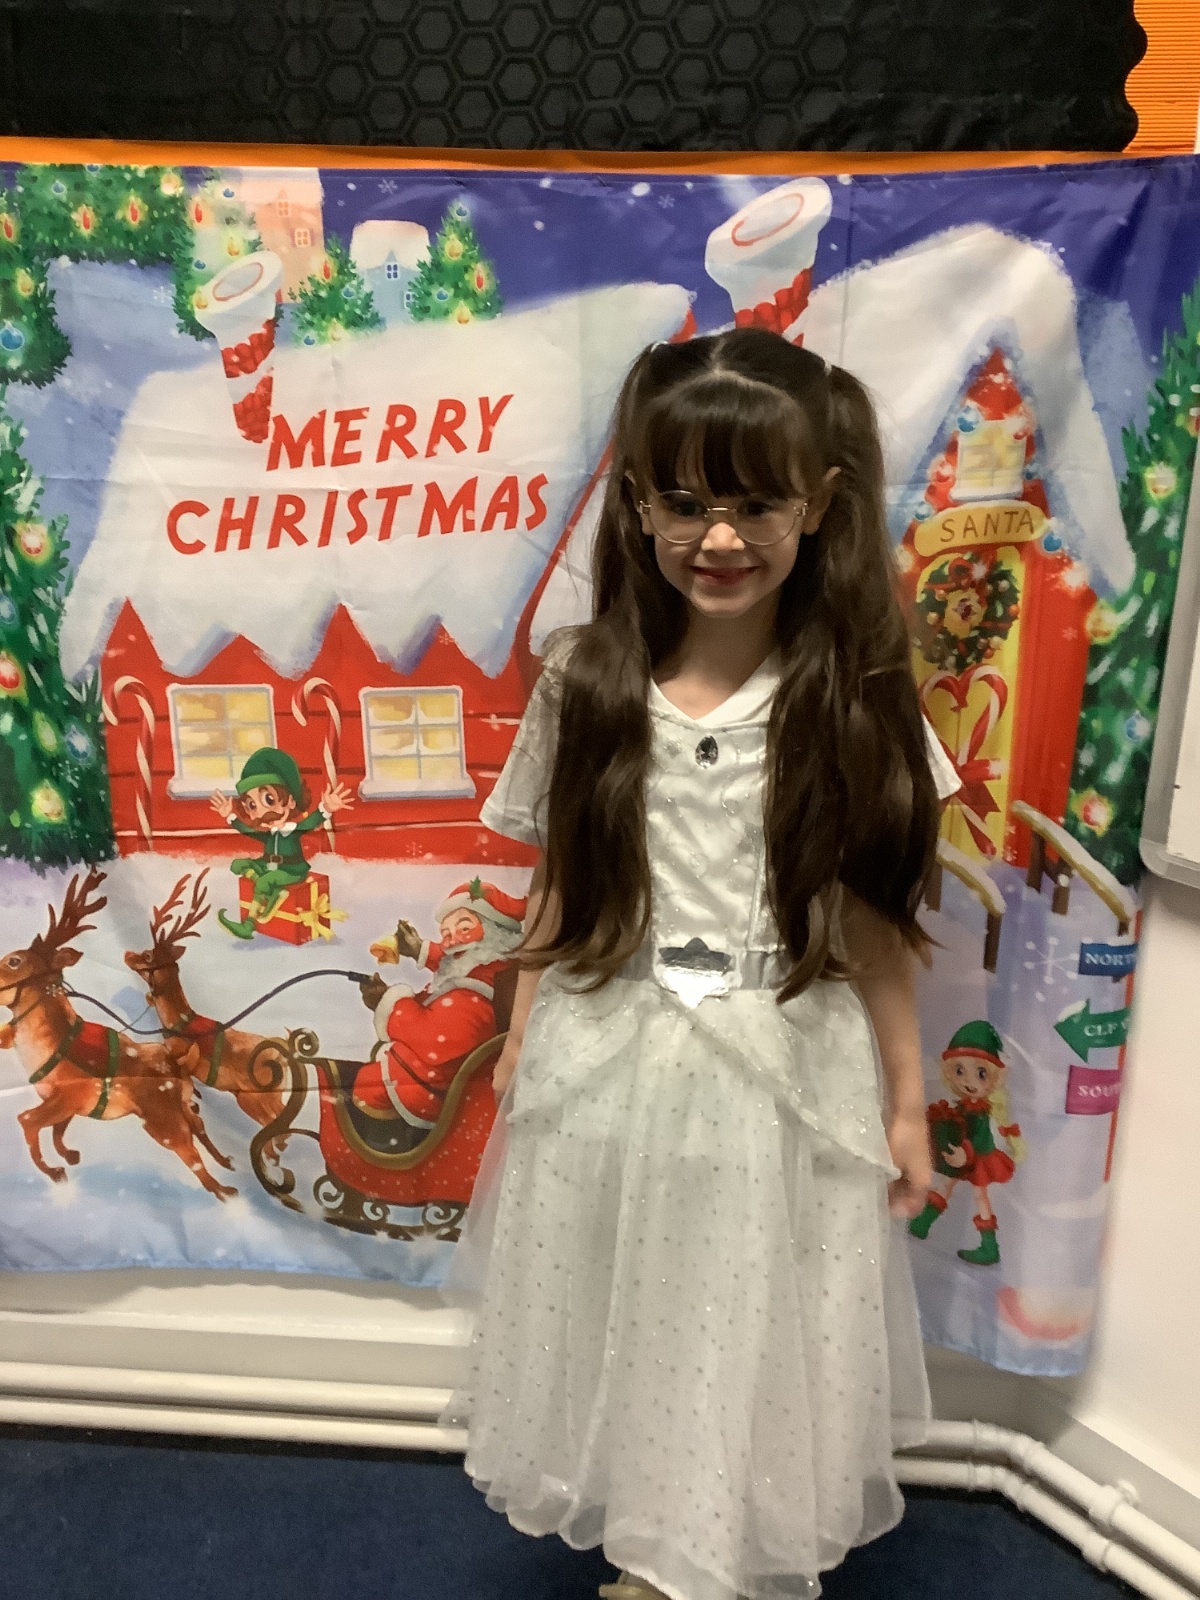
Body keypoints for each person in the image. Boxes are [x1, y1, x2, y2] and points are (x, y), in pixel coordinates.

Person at [446, 328, 961, 1600]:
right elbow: (562, 881)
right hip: (608, 1052)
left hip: (780, 1063)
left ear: (819, 503)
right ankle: (656, 1549)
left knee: (750, 1315)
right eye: (683, 502)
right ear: (636, 503)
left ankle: (712, 1556)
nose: (718, 538)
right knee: (623, 1304)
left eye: (754, 505)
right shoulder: (584, 683)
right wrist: (523, 1032)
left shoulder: (856, 697)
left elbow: (874, 921)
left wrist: (907, 1098)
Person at [353, 878, 526, 1126]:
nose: (452, 941)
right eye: (446, 934)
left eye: (464, 928)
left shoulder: (475, 998)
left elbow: (431, 1038)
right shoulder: (494, 966)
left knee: (367, 1085)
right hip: (449, 1076)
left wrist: (387, 1001)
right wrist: (419, 949)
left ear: (495, 931)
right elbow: (457, 962)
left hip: (436, 1090)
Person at [908, 1019, 1025, 1266]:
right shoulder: (965, 1105)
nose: (968, 1082)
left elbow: (979, 1137)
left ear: (996, 1077)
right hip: (963, 1153)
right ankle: (923, 1222)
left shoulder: (980, 1110)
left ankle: (989, 1246)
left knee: (980, 1195)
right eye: (959, 1071)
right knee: (946, 1184)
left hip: (979, 1156)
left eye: (981, 1073)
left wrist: (966, 1153)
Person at [209, 746, 352, 939]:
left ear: (291, 801)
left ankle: (248, 924)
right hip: (268, 866)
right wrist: (230, 817)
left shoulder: (293, 831)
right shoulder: (269, 833)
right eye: (252, 805)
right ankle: (272, 893)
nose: (261, 813)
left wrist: (326, 808)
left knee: (266, 881)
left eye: (269, 799)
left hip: (292, 871)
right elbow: (248, 831)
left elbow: (311, 822)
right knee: (239, 865)